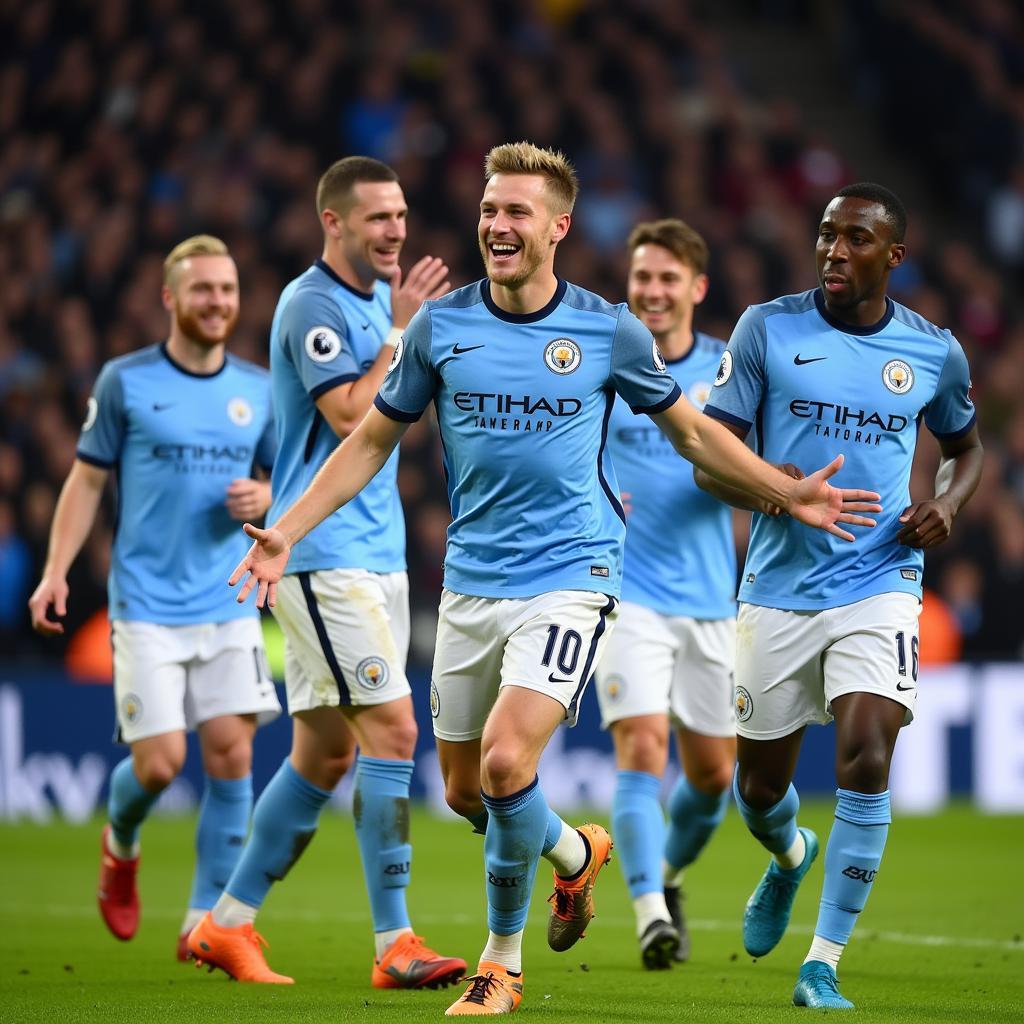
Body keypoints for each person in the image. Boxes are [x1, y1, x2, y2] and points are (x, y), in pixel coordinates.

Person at [226, 142, 882, 1016]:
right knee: (464, 791)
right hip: (470, 584)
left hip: (575, 575)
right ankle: (576, 855)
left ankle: (504, 966)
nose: (498, 225)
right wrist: (288, 532)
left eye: (518, 213)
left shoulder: (606, 329)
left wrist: (782, 490)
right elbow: (372, 440)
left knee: (504, 764)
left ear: (559, 228)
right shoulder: (440, 326)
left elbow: (692, 433)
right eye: (490, 209)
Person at [699, 183, 983, 1009]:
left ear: (894, 256)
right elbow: (707, 460)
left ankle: (821, 962)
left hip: (880, 580)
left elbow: (966, 452)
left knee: (866, 750)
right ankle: (789, 855)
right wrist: (772, 492)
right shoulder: (766, 330)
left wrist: (947, 505)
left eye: (855, 238)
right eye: (826, 235)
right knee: (756, 790)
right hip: (779, 590)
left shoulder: (933, 352)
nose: (833, 250)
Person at [188, 156, 466, 990]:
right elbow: (353, 413)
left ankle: (225, 926)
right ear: (333, 223)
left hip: (374, 553)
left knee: (320, 756)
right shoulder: (314, 303)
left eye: (402, 215)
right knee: (395, 734)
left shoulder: (381, 300)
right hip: (323, 557)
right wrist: (400, 330)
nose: (396, 231)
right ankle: (395, 941)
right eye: (379, 218)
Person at [28, 235, 282, 960]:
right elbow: (85, 480)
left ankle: (203, 923)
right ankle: (122, 838)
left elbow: (286, 479)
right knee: (162, 763)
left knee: (232, 753)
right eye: (202, 290)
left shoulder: (256, 390)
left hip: (229, 599)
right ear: (170, 298)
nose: (217, 302)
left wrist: (266, 494)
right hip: (145, 606)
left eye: (227, 290)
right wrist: (56, 571)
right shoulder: (125, 382)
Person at [595, 219, 741, 968]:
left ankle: (671, 878)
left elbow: (750, 463)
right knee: (642, 747)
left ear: (696, 288)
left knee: (715, 776)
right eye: (642, 277)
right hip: (626, 594)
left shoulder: (728, 370)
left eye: (667, 279)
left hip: (712, 599)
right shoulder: (605, 361)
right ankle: (650, 910)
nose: (652, 291)